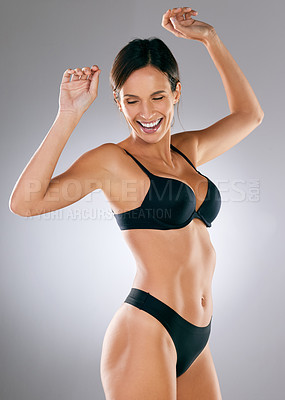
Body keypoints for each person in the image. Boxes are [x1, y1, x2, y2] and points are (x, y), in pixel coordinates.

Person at [9, 6, 264, 400]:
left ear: (176, 92)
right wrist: (68, 114)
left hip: (197, 337)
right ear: (118, 101)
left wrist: (210, 38)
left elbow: (250, 115)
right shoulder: (113, 162)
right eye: (132, 101)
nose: (146, 113)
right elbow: (25, 203)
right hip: (148, 328)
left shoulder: (188, 150)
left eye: (158, 96)